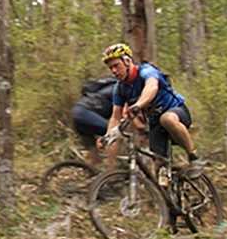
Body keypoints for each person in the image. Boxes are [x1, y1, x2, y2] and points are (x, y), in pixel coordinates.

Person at [101, 43, 203, 176]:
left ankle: (194, 157)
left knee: (166, 119)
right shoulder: (120, 88)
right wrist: (108, 137)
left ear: (127, 61)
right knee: (159, 169)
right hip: (155, 125)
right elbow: (115, 116)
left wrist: (139, 104)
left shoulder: (146, 71)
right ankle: (166, 195)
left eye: (116, 65)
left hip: (176, 111)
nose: (113, 71)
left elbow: (152, 87)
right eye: (110, 68)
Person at [71, 76, 117, 167]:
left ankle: (92, 174)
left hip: (77, 113)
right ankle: (112, 171)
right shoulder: (120, 90)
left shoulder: (107, 86)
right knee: (114, 135)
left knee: (95, 157)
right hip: (85, 113)